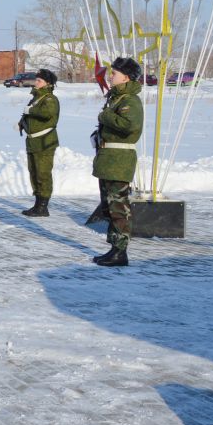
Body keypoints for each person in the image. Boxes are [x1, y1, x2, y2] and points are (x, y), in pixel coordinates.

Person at [91, 56, 144, 267]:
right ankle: (114, 248)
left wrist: (105, 117)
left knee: (118, 207)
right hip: (109, 159)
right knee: (109, 206)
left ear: (126, 77)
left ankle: (120, 252)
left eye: (114, 73)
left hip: (119, 160)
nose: (110, 76)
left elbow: (130, 125)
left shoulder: (130, 100)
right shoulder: (117, 98)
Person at [18, 68, 60, 217]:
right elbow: (28, 113)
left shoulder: (49, 99)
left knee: (43, 174)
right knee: (34, 172)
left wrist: (30, 111)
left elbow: (47, 113)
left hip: (45, 142)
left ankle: (43, 206)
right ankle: (37, 204)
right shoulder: (36, 98)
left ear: (47, 83)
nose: (36, 82)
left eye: (39, 80)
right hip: (33, 142)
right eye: (36, 80)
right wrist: (22, 122)